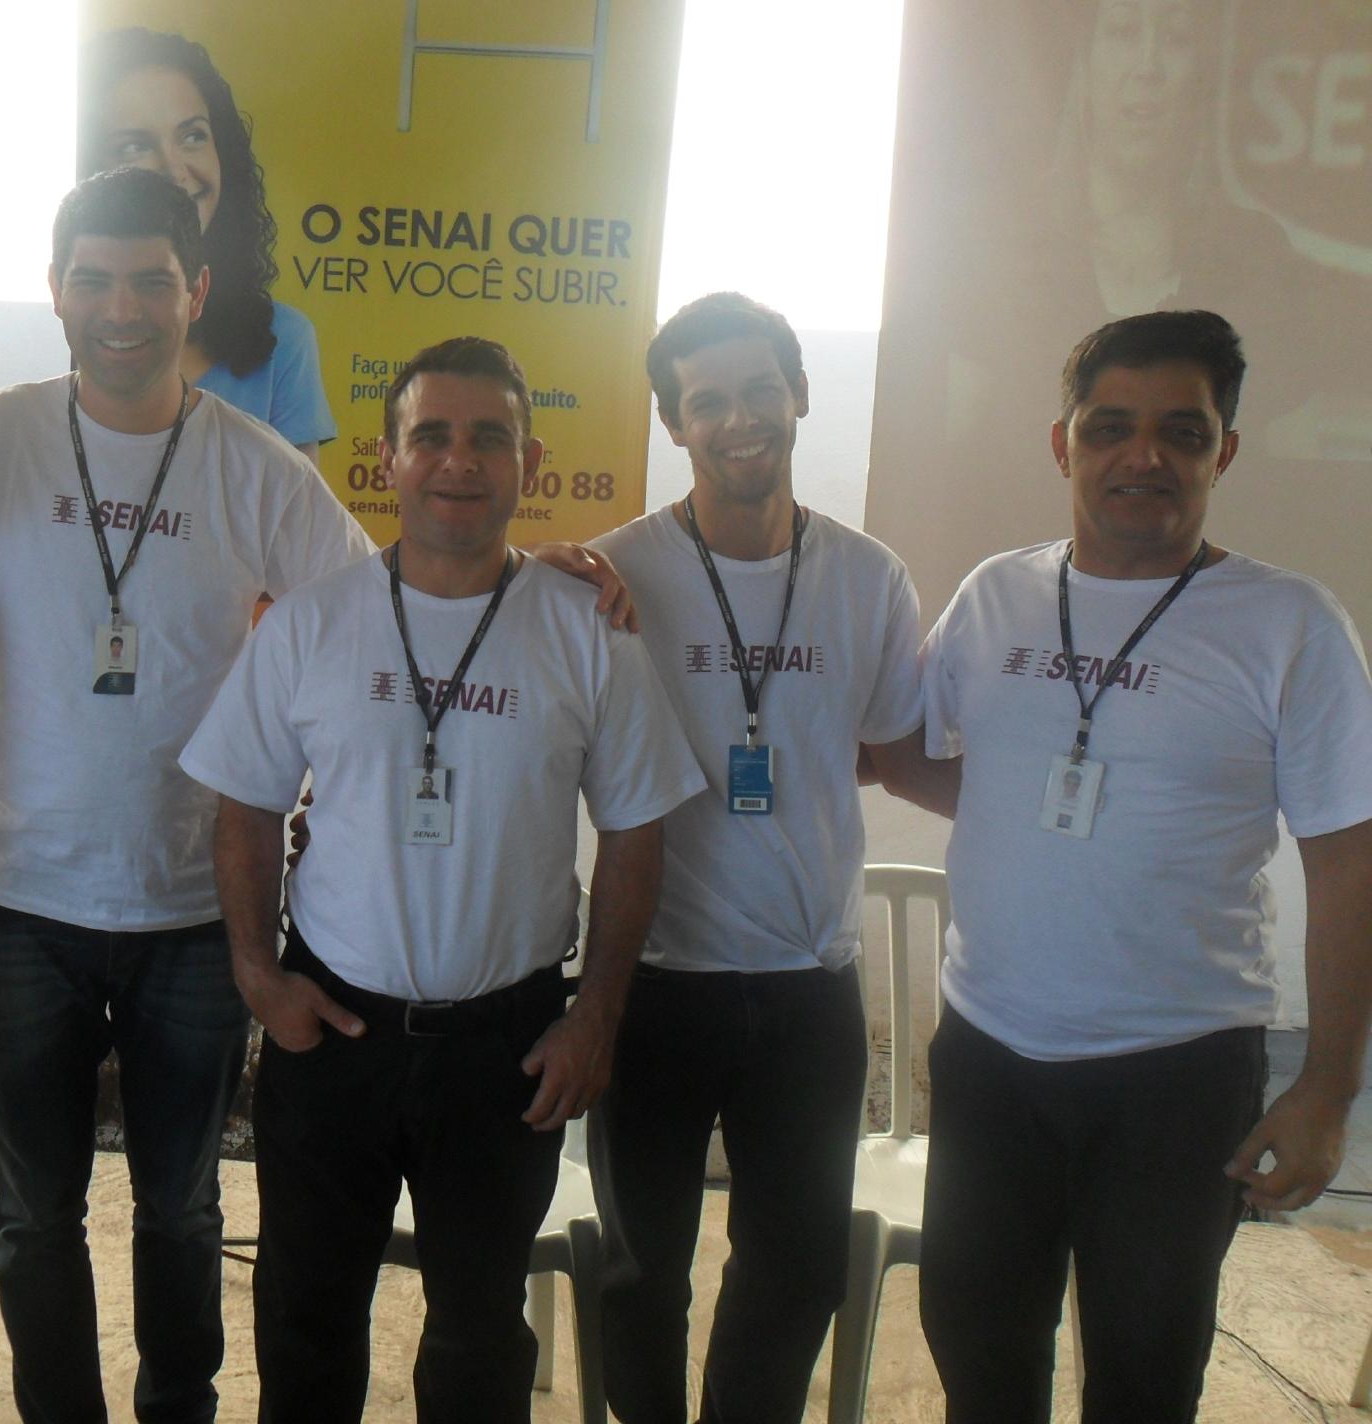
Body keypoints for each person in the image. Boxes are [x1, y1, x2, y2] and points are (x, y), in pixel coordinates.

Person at [0, 168, 630, 1424]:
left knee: (180, 1205)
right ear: (55, 291)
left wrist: (530, 572)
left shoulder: (254, 467)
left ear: (195, 291)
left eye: (150, 280)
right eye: (93, 278)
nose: (121, 306)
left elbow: (391, 600)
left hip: (191, 908)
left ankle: (173, 1409)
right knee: (35, 1209)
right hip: (17, 899)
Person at [181, 336, 703, 1423]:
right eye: (430, 435)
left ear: (529, 461)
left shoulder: (586, 629)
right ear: (387, 459)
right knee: (305, 1322)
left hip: (505, 1048)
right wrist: (256, 973)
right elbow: (243, 806)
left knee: (477, 1340)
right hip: (331, 1036)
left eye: (488, 438)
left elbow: (636, 831)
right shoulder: (312, 621)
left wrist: (596, 1018)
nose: (457, 460)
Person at [875, 310, 1372, 1420]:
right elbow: (905, 754)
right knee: (977, 1356)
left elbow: (1349, 860)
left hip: (1176, 1075)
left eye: (1180, 432)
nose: (1142, 456)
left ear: (1222, 453)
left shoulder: (1288, 625)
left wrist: (1328, 1087)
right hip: (990, 1056)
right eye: (1110, 428)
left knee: (1143, 1374)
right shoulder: (996, 594)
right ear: (1064, 444)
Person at [584, 292, 925, 1423]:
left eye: (761, 391)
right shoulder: (615, 573)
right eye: (708, 401)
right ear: (673, 422)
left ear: (800, 395)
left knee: (796, 1268)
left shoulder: (868, 576)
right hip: (653, 982)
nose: (739, 420)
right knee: (639, 1269)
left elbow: (884, 749)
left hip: (807, 986)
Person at [81, 25, 333, 457]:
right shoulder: (70, 326)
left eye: (192, 136)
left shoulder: (285, 341)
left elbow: (299, 500)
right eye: (135, 146)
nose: (174, 170)